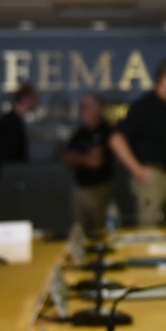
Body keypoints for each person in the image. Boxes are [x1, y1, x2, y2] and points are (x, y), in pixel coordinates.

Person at [109, 58, 166, 226]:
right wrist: (138, 171)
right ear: (164, 80)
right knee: (149, 227)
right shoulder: (144, 106)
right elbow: (116, 139)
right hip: (152, 175)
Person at [61, 93, 114, 235]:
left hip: (101, 188)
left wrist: (79, 157)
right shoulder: (79, 133)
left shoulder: (107, 131)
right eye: (80, 107)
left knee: (101, 230)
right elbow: (67, 158)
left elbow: (95, 162)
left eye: (86, 107)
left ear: (98, 109)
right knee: (79, 231)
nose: (82, 110)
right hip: (80, 188)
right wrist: (85, 158)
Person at [0, 83, 37, 178]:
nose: (36, 103)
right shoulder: (9, 124)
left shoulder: (12, 122)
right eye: (34, 100)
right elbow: (4, 158)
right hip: (11, 181)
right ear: (26, 99)